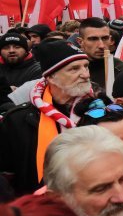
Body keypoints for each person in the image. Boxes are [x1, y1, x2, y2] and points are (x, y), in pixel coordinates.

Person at [0, 41, 90, 195]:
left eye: (86, 66)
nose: (86, 74)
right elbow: (6, 178)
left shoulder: (102, 111)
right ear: (51, 78)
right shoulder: (17, 120)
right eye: (74, 69)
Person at [77, 17, 123, 87]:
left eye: (105, 38)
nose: (101, 45)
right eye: (93, 39)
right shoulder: (67, 71)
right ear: (80, 42)